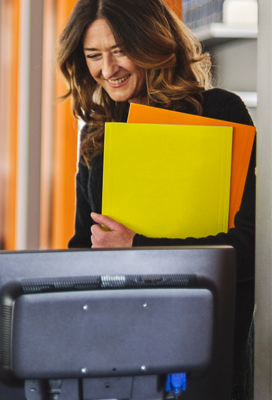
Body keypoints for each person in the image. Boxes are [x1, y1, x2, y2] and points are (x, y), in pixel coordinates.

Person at [57, 0, 255, 396]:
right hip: (120, 333)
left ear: (153, 43)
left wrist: (137, 248)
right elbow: (83, 245)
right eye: (93, 55)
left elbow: (249, 249)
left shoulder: (218, 111)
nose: (107, 69)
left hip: (206, 332)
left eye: (120, 51)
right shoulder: (96, 133)